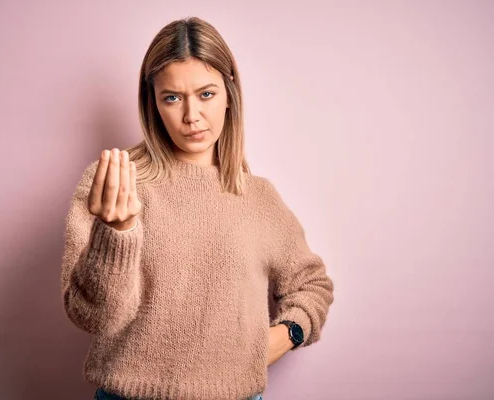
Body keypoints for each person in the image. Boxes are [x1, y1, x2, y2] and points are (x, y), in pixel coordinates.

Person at [60, 16, 335, 400]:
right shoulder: (114, 183)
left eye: (206, 94)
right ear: (153, 103)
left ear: (229, 93)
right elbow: (94, 318)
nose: (191, 116)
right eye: (172, 97)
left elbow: (313, 284)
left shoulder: (257, 197)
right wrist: (117, 233)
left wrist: (284, 335)